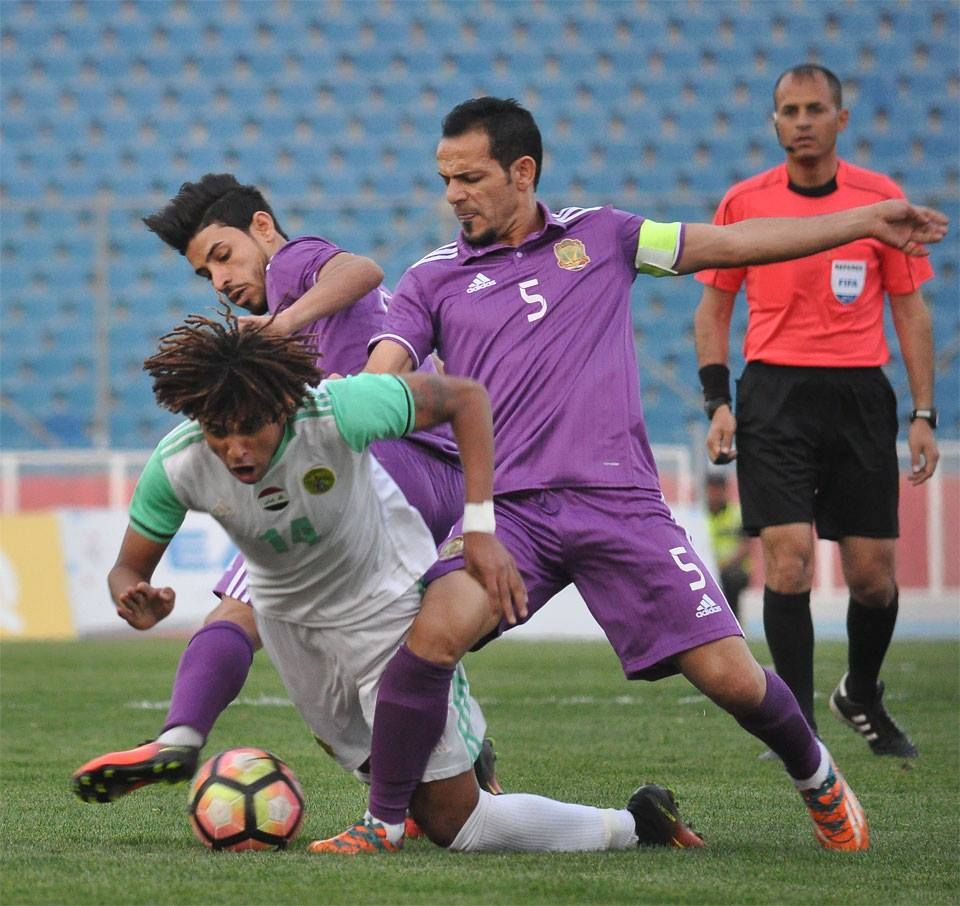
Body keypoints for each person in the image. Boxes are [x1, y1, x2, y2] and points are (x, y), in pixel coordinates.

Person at [313, 96, 947, 855]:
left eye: (470, 178)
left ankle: (819, 779)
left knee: (733, 680)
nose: (453, 195)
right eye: (445, 179)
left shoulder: (604, 236)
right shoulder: (431, 280)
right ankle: (382, 825)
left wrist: (864, 222)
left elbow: (735, 242)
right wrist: (318, 407)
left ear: (522, 172)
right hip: (512, 515)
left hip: (621, 507)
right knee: (430, 637)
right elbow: (383, 380)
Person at [77, 309, 703, 854]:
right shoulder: (181, 460)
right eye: (221, 433)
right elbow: (129, 567)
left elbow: (465, 399)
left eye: (252, 430)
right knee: (408, 791)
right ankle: (441, 770)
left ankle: (637, 823)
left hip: (387, 612)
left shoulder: (337, 410)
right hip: (292, 627)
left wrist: (481, 527)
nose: (237, 450)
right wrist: (136, 595)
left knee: (459, 825)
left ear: (284, 404)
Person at [71, 174, 500, 804]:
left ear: (263, 229)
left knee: (247, 604)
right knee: (337, 642)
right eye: (204, 274)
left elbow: (363, 269)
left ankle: (181, 737)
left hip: (393, 463)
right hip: (422, 477)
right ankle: (461, 783)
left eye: (223, 255)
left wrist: (283, 320)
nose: (219, 281)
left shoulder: (293, 266)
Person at [693, 64, 938, 758]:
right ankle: (795, 724)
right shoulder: (745, 202)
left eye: (814, 109)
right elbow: (713, 310)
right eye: (788, 111)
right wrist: (718, 400)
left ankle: (860, 690)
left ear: (840, 119)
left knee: (872, 575)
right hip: (774, 392)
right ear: (774, 123)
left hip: (861, 392)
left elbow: (910, 308)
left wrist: (924, 412)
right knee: (788, 559)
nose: (801, 121)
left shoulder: (880, 200)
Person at [704, 472, 752, 620]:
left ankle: (732, 621)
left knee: (730, 579)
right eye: (711, 489)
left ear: (725, 490)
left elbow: (745, 547)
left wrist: (723, 565)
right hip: (706, 567)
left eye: (717, 489)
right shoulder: (699, 514)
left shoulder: (736, 513)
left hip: (733, 568)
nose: (714, 494)